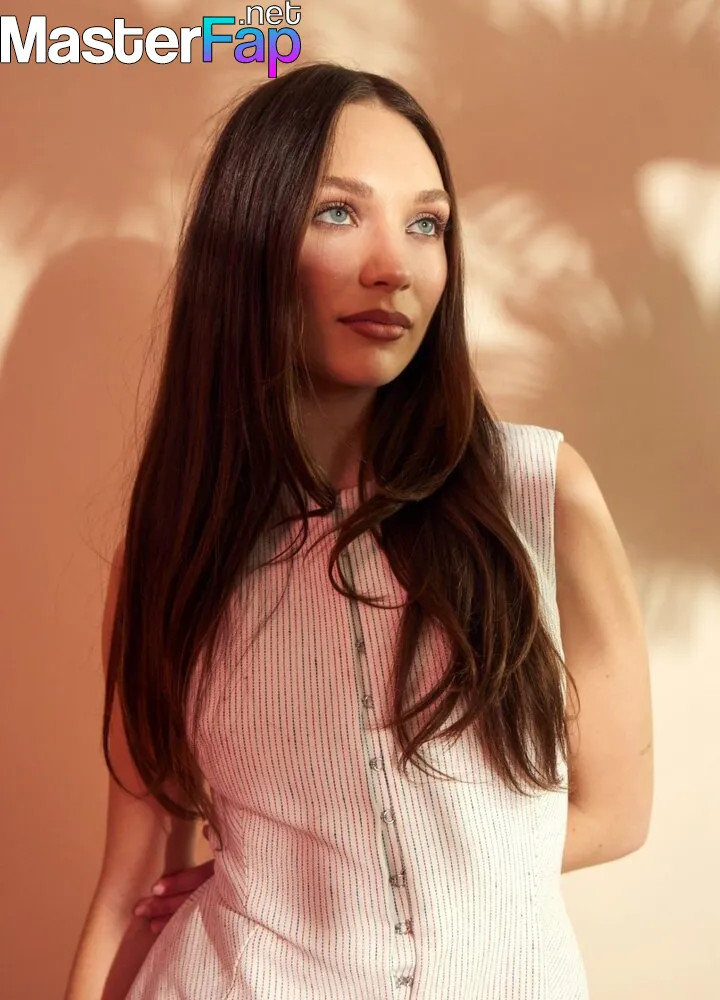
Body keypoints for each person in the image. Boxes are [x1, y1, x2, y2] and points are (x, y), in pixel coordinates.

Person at [64, 62, 653, 1000]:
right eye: (339, 213)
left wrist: (364, 887)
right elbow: (126, 889)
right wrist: (283, 886)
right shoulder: (172, 552)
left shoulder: (542, 493)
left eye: (426, 224)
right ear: (249, 241)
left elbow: (615, 812)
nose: (395, 266)